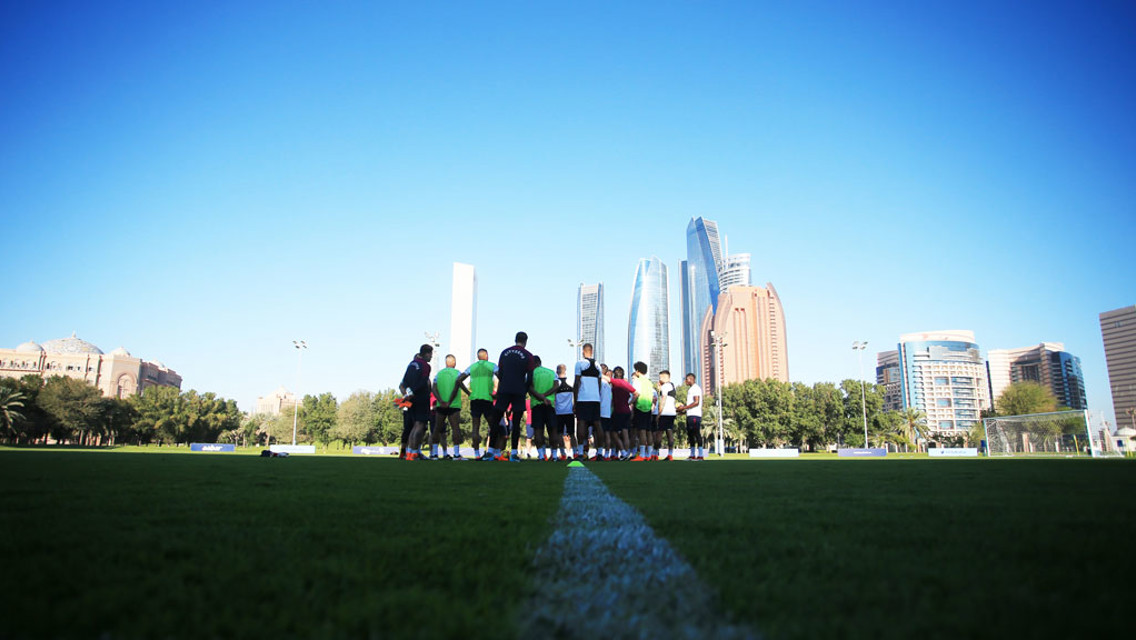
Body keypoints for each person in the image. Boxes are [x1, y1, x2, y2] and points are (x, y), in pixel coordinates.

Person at [491, 332, 541, 462]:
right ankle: (514, 453)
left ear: (515, 339)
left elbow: (500, 372)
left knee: (496, 420)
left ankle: (490, 452)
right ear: (526, 341)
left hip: (504, 389)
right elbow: (530, 376)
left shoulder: (504, 352)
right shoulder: (528, 355)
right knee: (517, 423)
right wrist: (524, 389)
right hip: (518, 390)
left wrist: (504, 383)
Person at [454, 348, 497, 459]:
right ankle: (494, 452)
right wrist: (498, 393)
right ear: (486, 356)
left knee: (475, 427)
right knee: (493, 426)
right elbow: (502, 376)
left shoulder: (472, 367)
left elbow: (458, 380)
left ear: (478, 357)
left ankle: (477, 454)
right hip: (487, 398)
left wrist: (468, 392)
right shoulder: (492, 366)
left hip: (475, 399)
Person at [398, 344, 433, 461]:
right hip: (421, 398)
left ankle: (409, 453)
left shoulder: (411, 364)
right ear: (427, 353)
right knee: (420, 425)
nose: (431, 357)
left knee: (413, 426)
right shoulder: (425, 366)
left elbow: (404, 382)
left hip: (411, 400)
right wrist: (414, 392)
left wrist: (408, 394)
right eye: (431, 354)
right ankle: (413, 453)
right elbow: (423, 382)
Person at [431, 354, 465, 460]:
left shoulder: (439, 374)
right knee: (455, 428)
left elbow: (433, 388)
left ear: (446, 363)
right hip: (453, 405)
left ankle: (434, 453)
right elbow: (457, 387)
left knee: (437, 428)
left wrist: (440, 400)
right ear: (454, 363)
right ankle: (456, 454)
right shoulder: (458, 373)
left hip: (441, 405)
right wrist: (449, 401)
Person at [573, 343, 603, 460]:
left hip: (583, 399)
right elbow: (599, 384)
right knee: (598, 424)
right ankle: (599, 453)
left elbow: (576, 383)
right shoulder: (598, 365)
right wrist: (596, 395)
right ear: (592, 351)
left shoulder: (579, 363)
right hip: (595, 399)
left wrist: (575, 401)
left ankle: (580, 453)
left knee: (581, 423)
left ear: (582, 352)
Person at [528, 355, 559, 461]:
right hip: (550, 404)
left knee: (538, 430)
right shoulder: (552, 372)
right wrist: (546, 396)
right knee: (553, 430)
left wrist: (541, 397)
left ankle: (541, 455)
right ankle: (554, 455)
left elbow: (530, 388)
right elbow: (556, 386)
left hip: (537, 404)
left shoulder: (531, 373)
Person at [630, 361, 656, 461]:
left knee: (641, 431)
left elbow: (636, 394)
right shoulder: (649, 382)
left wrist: (630, 403)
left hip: (640, 407)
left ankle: (642, 454)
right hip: (648, 408)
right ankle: (649, 454)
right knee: (648, 431)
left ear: (637, 371)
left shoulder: (637, 381)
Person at [609, 366, 635, 460]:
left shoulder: (615, 384)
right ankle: (626, 453)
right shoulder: (626, 385)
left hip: (618, 411)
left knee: (613, 432)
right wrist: (629, 403)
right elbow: (635, 394)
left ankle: (623, 451)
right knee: (625, 433)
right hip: (626, 411)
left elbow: (613, 401)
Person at [678, 372, 704, 460]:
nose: (685, 381)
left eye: (686, 379)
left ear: (690, 379)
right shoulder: (691, 389)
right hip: (690, 414)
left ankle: (700, 455)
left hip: (695, 415)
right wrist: (684, 412)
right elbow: (691, 404)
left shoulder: (696, 388)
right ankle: (692, 454)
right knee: (690, 435)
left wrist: (683, 407)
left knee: (696, 433)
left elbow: (696, 402)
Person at [554, 364, 576, 460]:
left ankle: (563, 453)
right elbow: (575, 396)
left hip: (559, 412)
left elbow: (554, 398)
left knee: (559, 433)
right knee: (572, 434)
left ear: (556, 371)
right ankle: (575, 452)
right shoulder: (570, 382)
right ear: (565, 370)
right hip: (569, 411)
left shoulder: (555, 383)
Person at [656, 370, 678, 461]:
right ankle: (670, 454)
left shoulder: (665, 386)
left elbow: (663, 400)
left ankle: (654, 453)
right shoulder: (672, 385)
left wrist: (659, 413)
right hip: (672, 412)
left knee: (659, 433)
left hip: (665, 413)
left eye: (660, 377)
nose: (659, 379)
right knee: (669, 433)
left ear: (666, 377)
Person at [598, 364, 614, 460]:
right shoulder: (608, 385)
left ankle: (600, 452)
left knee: (598, 433)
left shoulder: (599, 383)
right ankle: (607, 454)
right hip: (607, 412)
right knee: (607, 433)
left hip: (600, 411)